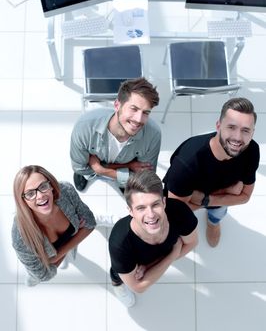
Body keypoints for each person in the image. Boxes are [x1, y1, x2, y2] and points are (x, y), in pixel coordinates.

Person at [163, 97, 260, 247]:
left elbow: (245, 196)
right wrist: (228, 193)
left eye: (245, 130)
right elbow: (178, 211)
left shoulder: (251, 150)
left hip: (208, 200)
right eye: (231, 127)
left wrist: (206, 200)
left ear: (252, 133)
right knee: (175, 225)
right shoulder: (187, 162)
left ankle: (213, 223)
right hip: (183, 199)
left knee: (218, 213)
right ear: (218, 126)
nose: (238, 137)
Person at [108, 170, 198, 307]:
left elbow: (192, 243)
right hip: (132, 263)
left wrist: (149, 267)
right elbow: (138, 287)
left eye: (155, 204)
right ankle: (117, 285)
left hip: (150, 260)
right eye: (141, 208)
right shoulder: (119, 243)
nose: (150, 215)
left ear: (164, 202)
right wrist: (172, 254)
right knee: (117, 275)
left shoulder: (180, 212)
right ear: (131, 211)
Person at [70, 77, 161, 196]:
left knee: (136, 185)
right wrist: (127, 167)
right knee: (83, 172)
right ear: (117, 105)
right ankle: (120, 178)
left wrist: (101, 170)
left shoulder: (153, 135)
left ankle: (123, 182)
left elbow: (144, 179)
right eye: (134, 109)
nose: (138, 119)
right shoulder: (84, 128)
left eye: (145, 112)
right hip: (120, 169)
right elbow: (80, 168)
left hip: (96, 163)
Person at [12, 165, 96, 286]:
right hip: (43, 265)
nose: (40, 196)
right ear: (23, 201)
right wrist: (78, 233)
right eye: (30, 194)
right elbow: (44, 275)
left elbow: (91, 222)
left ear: (51, 185)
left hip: (53, 256)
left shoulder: (65, 191)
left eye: (43, 186)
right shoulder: (20, 238)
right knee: (33, 279)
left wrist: (56, 257)